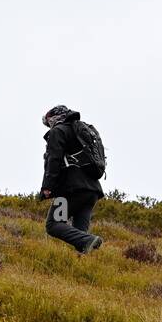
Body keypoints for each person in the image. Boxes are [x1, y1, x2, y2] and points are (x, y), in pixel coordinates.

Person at [40, 104, 103, 254]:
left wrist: (47, 187)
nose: (48, 125)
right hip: (91, 192)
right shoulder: (81, 131)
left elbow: (53, 160)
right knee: (80, 237)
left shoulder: (58, 131)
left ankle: (88, 240)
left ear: (54, 118)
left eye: (48, 122)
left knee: (54, 224)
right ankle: (82, 264)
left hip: (71, 191)